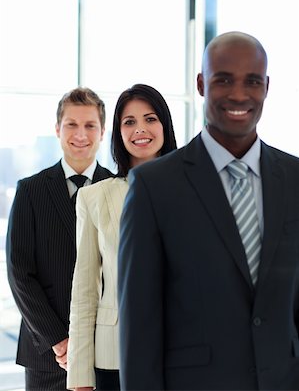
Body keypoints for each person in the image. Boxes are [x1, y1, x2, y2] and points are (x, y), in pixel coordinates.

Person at [118, 31, 299, 390]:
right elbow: (139, 331)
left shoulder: (295, 179)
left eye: (252, 81)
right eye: (224, 80)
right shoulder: (155, 187)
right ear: (201, 84)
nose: (238, 94)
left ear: (267, 86)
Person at [63, 84, 177, 391]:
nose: (140, 129)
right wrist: (80, 375)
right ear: (117, 132)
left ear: (165, 125)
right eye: (129, 122)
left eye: (150, 119)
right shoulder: (94, 198)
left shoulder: (192, 193)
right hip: (114, 355)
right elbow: (84, 291)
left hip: (183, 351)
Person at [6, 87, 114, 391]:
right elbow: (20, 274)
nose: (81, 134)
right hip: (47, 354)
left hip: (104, 349)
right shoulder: (31, 190)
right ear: (57, 129)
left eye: (90, 125)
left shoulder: (119, 188)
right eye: (72, 124)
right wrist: (59, 340)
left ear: (103, 131)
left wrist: (90, 342)